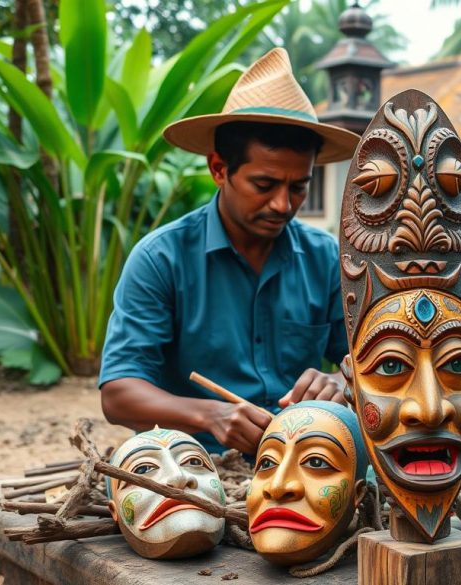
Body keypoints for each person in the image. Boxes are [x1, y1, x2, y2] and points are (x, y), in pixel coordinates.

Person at [99, 48, 360, 455]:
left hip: (306, 460)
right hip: (191, 467)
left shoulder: (327, 259)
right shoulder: (161, 259)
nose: (282, 205)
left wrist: (341, 382)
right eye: (264, 184)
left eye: (298, 187)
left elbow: (371, 366)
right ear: (219, 169)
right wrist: (210, 416)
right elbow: (118, 394)